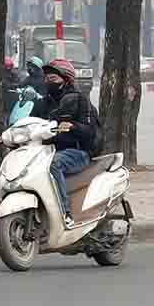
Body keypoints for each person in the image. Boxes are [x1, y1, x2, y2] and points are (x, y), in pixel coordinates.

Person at [33, 58, 98, 226]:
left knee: (53, 164)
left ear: (66, 80)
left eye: (53, 79)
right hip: (46, 150)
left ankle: (64, 214)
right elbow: (30, 123)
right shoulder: (42, 103)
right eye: (46, 79)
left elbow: (90, 132)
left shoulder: (80, 100)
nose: (48, 82)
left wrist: (73, 126)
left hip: (77, 152)